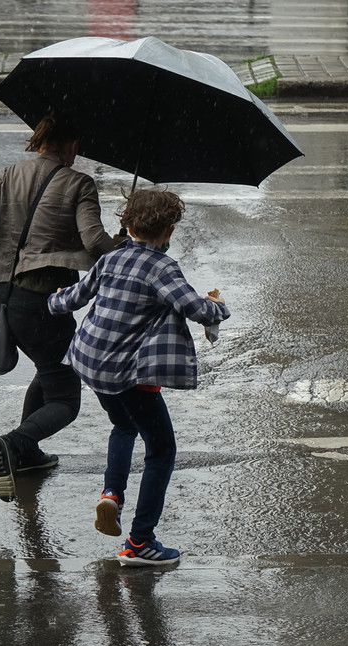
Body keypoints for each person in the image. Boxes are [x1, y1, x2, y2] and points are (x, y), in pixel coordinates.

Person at [0, 115, 120, 503]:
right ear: (70, 144)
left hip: (3, 296)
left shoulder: (9, 174)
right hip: (44, 301)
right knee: (66, 399)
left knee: (50, 368)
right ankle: (13, 443)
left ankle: (28, 454)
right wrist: (126, 249)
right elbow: (93, 238)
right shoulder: (79, 183)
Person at [47, 188, 229, 567]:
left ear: (126, 224)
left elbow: (74, 297)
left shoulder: (111, 257)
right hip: (128, 370)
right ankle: (139, 543)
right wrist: (219, 307)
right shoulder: (162, 267)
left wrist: (53, 299)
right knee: (161, 451)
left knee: (123, 426)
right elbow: (193, 307)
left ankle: (111, 494)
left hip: (91, 361)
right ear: (171, 231)